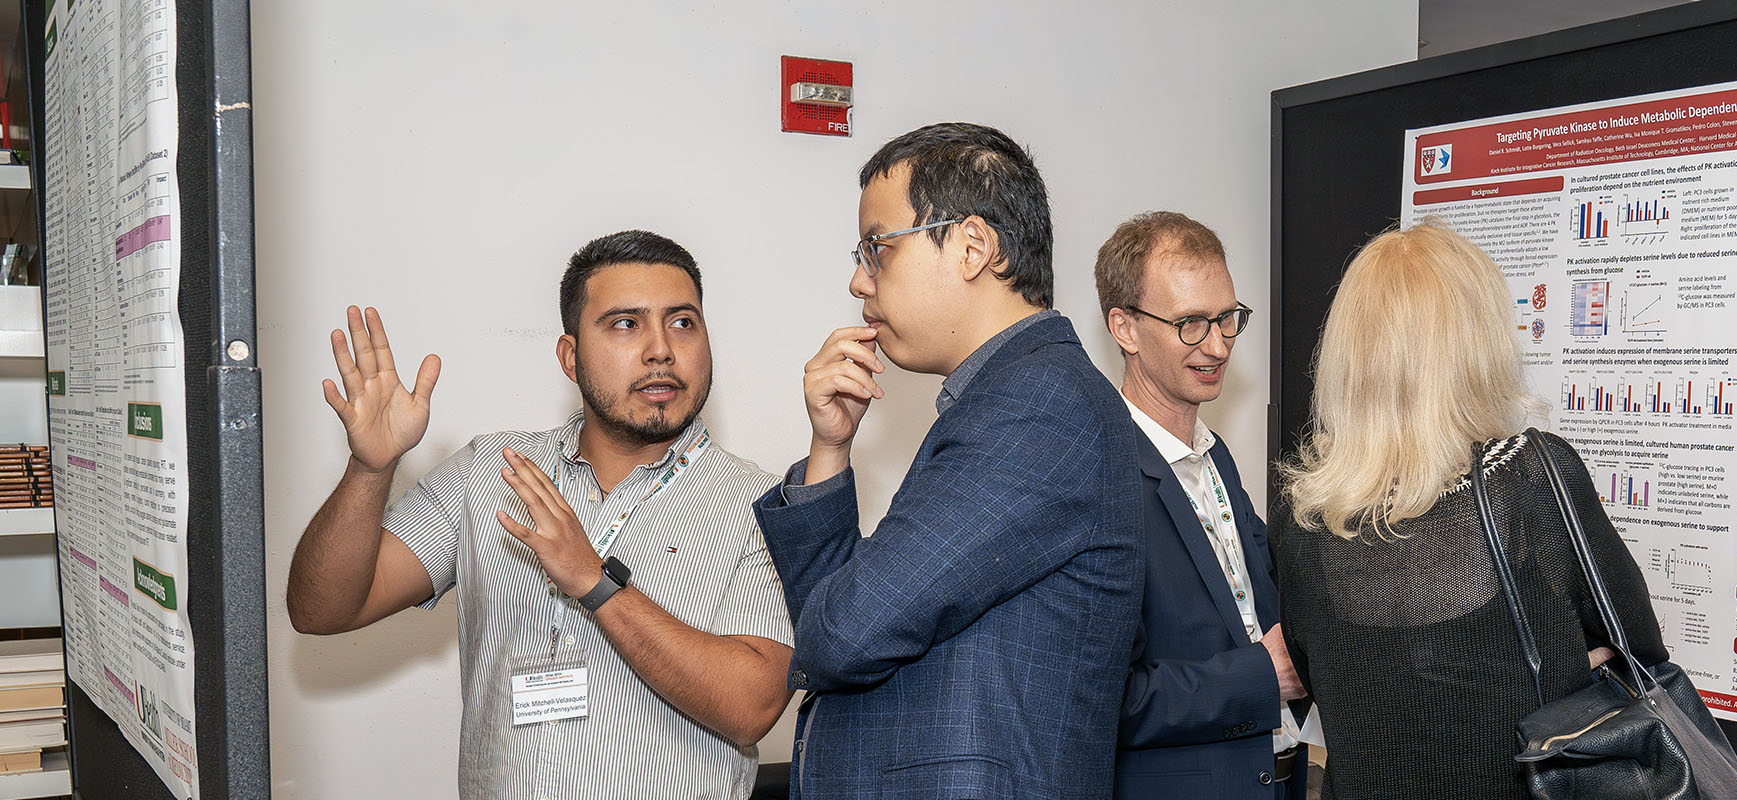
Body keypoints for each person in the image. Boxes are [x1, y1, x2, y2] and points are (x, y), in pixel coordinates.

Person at [286, 231, 795, 799]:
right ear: (570, 357)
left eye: (682, 322)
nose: (661, 350)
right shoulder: (488, 472)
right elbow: (321, 609)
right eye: (625, 324)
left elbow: (754, 706)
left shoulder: (761, 502)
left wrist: (593, 582)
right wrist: (369, 470)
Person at [750, 122, 1144, 799]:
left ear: (972, 247)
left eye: (877, 249)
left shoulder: (1039, 404)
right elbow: (834, 628)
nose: (857, 279)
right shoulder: (1004, 399)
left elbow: (842, 635)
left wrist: (832, 627)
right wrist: (831, 449)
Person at [1275, 220, 1666, 799]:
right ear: (1477, 346)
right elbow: (1639, 647)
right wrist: (1556, 671)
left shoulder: (1303, 513)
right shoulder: (1533, 477)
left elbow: (1332, 676)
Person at [1092, 212, 1309, 799]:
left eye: (1227, 319)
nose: (1217, 346)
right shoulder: (1098, 478)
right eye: (1190, 323)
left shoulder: (1217, 459)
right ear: (1126, 328)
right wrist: (1263, 676)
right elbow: (1107, 701)